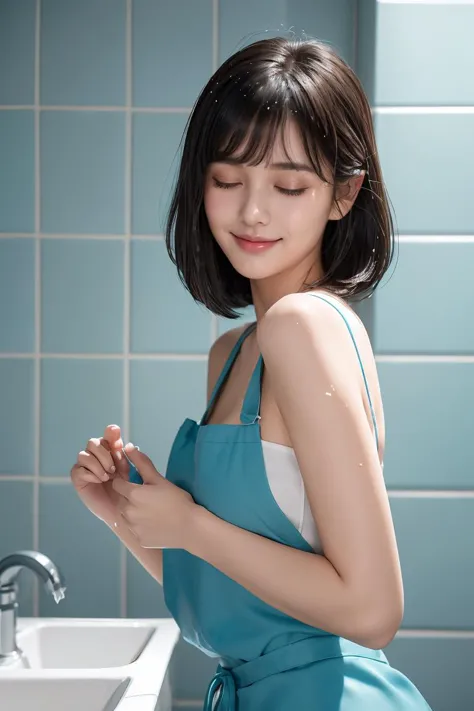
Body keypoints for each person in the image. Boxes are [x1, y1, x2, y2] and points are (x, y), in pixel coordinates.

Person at [70, 37, 433, 710]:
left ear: (344, 193)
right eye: (228, 179)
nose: (253, 211)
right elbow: (248, 601)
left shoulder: (302, 327)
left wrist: (193, 526)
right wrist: (130, 515)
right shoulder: (237, 351)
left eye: (290, 185)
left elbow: (373, 608)